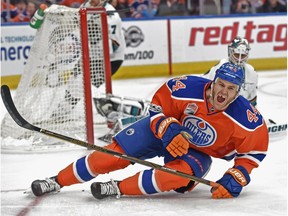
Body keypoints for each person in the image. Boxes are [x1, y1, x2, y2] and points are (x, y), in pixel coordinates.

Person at [30, 62, 269, 200]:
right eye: (221, 85)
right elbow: (156, 109)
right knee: (107, 157)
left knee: (177, 177)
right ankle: (56, 181)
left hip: (195, 151)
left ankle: (117, 188)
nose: (223, 92)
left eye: (230, 88)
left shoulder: (247, 119)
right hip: (162, 131)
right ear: (213, 82)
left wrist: (236, 177)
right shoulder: (185, 87)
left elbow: (253, 154)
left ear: (238, 93)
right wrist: (168, 128)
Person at [203, 36, 258, 107]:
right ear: (230, 52)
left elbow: (252, 102)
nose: (239, 59)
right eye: (237, 55)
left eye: (243, 55)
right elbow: (205, 90)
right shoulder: (220, 67)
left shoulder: (252, 73)